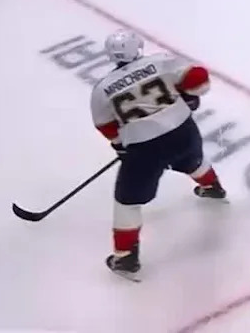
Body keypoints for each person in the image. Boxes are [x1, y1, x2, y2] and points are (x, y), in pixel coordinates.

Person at [90, 30, 225, 279]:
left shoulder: (101, 90)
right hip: (182, 131)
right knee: (191, 159)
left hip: (144, 147)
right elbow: (198, 77)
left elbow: (105, 125)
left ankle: (126, 257)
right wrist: (188, 96)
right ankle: (213, 187)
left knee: (127, 201)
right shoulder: (160, 61)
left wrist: (120, 145)